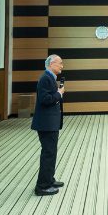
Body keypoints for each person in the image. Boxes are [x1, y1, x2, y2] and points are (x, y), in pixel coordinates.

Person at [32, 54, 65, 196]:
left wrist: (57, 94)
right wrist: (59, 94)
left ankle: (49, 180)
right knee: (48, 154)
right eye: (60, 63)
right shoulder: (45, 78)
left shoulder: (50, 78)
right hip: (46, 124)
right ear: (51, 64)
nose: (62, 66)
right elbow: (45, 100)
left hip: (50, 123)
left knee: (51, 153)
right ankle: (42, 186)